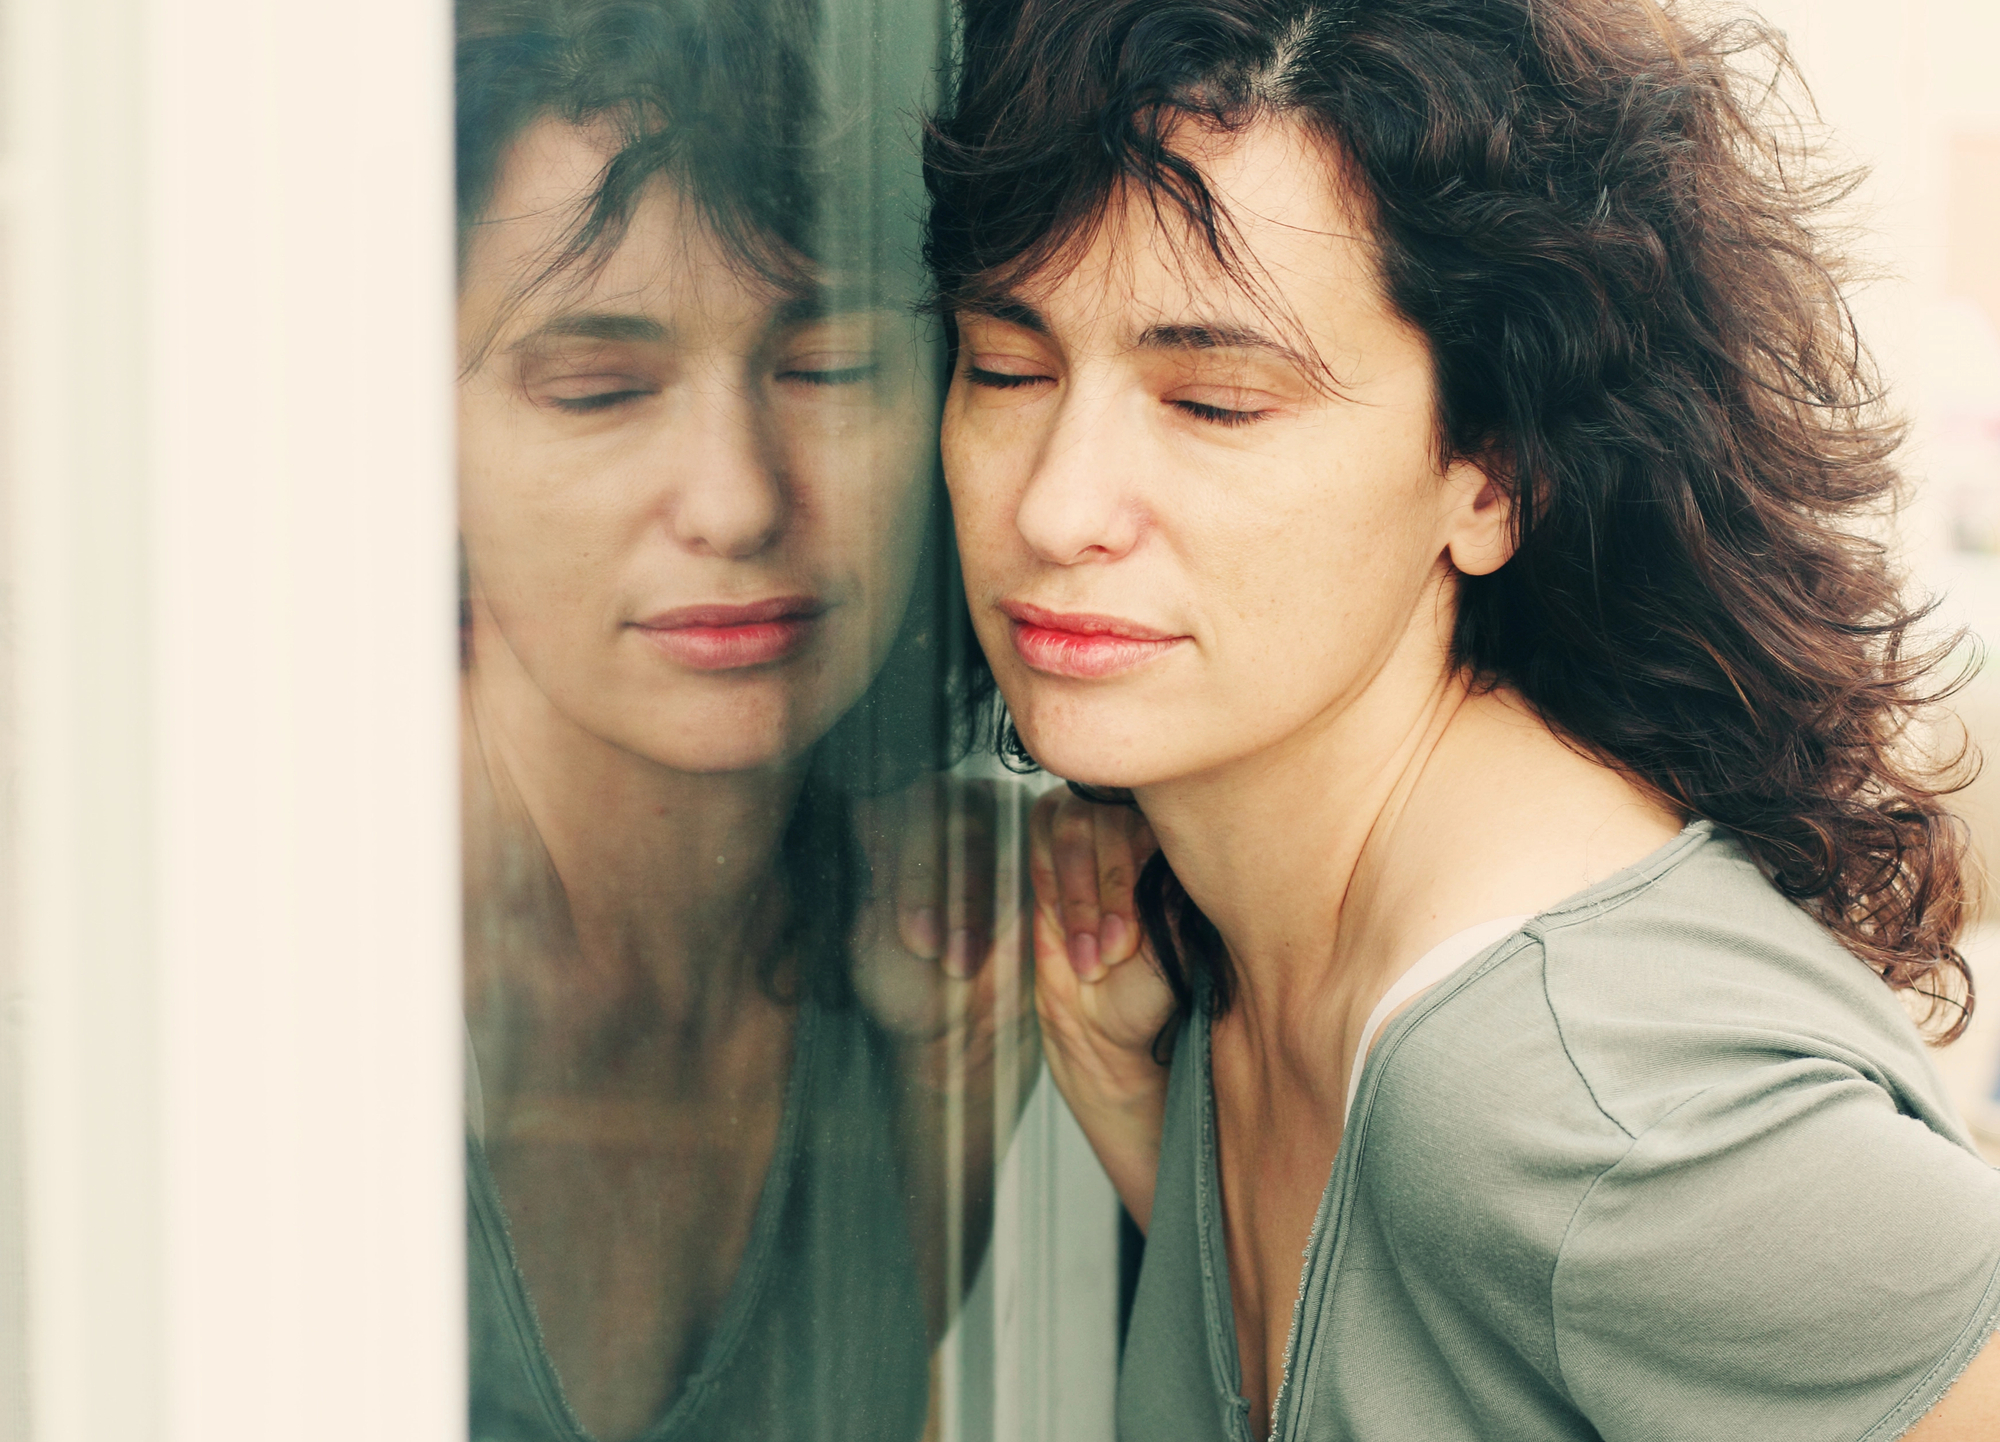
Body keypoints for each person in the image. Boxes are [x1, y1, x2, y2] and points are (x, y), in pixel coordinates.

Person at [927, 0, 2000, 1438]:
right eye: (1008, 368)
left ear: (1489, 477)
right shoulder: (1244, 943)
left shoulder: (1574, 1100)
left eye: (1217, 402)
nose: (1055, 506)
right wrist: (1151, 1129)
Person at [454, 3, 1032, 1440]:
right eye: (599, 388)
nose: (737, 498)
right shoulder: (264, 988)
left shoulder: (935, 966)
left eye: (828, 365)